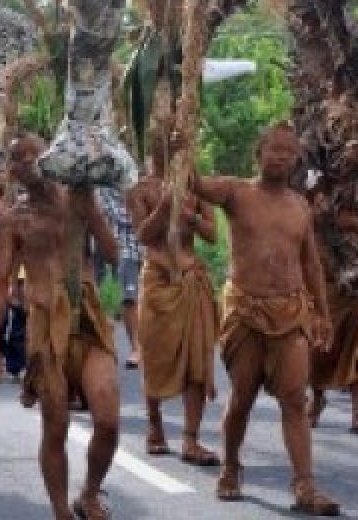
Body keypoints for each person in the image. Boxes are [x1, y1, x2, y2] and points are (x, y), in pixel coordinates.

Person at [191, 123, 338, 516]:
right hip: (244, 310)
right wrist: (179, 141)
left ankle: (305, 485)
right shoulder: (236, 192)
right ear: (259, 153)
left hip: (291, 311)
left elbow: (310, 262)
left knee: (294, 397)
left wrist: (322, 312)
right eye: (274, 149)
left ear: (296, 160)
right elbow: (193, 183)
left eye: (289, 152)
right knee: (242, 398)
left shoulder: (300, 205)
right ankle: (230, 466)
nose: (281, 157)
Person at [0, 134, 121, 520]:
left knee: (108, 419)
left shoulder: (79, 201)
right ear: (13, 171)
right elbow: (0, 283)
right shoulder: (15, 219)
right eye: (18, 159)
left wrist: (90, 212)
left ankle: (90, 493)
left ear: (53, 157)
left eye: (34, 154)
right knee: (55, 425)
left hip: (87, 319)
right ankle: (61, 510)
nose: (28, 162)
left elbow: (113, 253)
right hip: (45, 328)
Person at [126, 132, 221, 466]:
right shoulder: (140, 190)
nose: (175, 149)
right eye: (169, 142)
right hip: (158, 281)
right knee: (154, 356)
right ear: (155, 147)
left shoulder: (198, 186)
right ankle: (155, 427)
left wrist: (192, 216)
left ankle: (191, 440)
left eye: (183, 144)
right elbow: (142, 236)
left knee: (198, 360)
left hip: (192, 279)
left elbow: (212, 235)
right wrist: (165, 207)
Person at [306, 182, 358, 436]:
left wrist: (354, 223)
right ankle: (316, 398)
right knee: (318, 345)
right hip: (321, 283)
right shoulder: (312, 195)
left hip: (355, 285)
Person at [96, 185, 143, 369]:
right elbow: (120, 216)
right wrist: (143, 213)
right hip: (117, 247)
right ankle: (135, 348)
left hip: (141, 248)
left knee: (142, 298)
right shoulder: (103, 189)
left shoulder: (138, 184)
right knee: (129, 298)